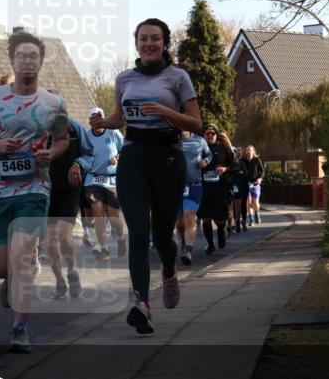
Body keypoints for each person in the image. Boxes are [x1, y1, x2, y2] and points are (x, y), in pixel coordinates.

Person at [91, 18, 201, 335]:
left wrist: (166, 112)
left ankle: (168, 270)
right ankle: (142, 304)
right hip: (134, 157)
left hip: (168, 157)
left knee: (163, 234)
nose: (149, 43)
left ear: (165, 44)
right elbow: (120, 117)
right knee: (139, 232)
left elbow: (195, 123)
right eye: (143, 39)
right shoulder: (124, 79)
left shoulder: (178, 77)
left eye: (155, 38)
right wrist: (103, 123)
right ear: (136, 43)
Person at [0, 32, 70, 353]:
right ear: (12, 61)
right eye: (21, 56)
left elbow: (63, 140)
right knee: (1, 267)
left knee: (23, 257)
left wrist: (51, 155)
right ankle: (9, 278)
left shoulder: (54, 103)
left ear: (40, 61)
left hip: (35, 187)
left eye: (32, 56)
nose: (27, 61)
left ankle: (20, 328)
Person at [45, 111, 93, 299]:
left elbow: (89, 154)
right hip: (45, 190)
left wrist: (78, 164)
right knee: (49, 241)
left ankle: (72, 272)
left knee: (64, 237)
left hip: (69, 189)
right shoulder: (36, 128)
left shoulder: (74, 127)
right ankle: (59, 281)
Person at [76, 107, 126, 260]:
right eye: (94, 119)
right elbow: (82, 154)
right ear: (90, 121)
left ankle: (120, 237)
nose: (97, 122)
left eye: (99, 118)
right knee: (97, 210)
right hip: (93, 179)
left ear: (103, 119)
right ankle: (103, 248)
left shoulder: (113, 133)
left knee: (113, 217)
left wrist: (117, 157)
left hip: (111, 179)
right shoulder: (86, 136)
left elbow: (125, 150)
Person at [175, 129, 212, 265]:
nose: (182, 129)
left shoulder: (199, 140)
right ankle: (184, 241)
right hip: (175, 187)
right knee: (179, 222)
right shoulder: (172, 140)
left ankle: (188, 251)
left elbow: (209, 154)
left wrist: (205, 161)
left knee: (189, 216)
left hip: (194, 186)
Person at [199, 124, 234, 255]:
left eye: (212, 133)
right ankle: (210, 244)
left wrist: (225, 169)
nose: (209, 136)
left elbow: (234, 164)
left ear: (216, 135)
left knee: (220, 220)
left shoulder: (223, 148)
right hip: (203, 189)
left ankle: (221, 232)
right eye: (207, 133)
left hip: (220, 189)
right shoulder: (199, 149)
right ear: (203, 135)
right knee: (205, 218)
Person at [229, 145, 250, 233]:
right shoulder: (229, 162)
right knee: (234, 204)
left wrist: (241, 172)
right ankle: (235, 222)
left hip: (243, 185)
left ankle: (243, 221)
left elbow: (247, 173)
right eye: (235, 151)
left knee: (243, 204)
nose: (237, 152)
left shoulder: (244, 161)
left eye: (239, 150)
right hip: (234, 185)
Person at [243, 145, 265, 224]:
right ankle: (251, 219)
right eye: (247, 150)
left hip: (255, 184)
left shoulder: (257, 160)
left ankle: (257, 213)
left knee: (255, 202)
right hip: (246, 184)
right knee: (248, 202)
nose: (248, 152)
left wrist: (259, 179)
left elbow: (262, 172)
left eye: (250, 150)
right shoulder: (243, 161)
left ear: (253, 151)